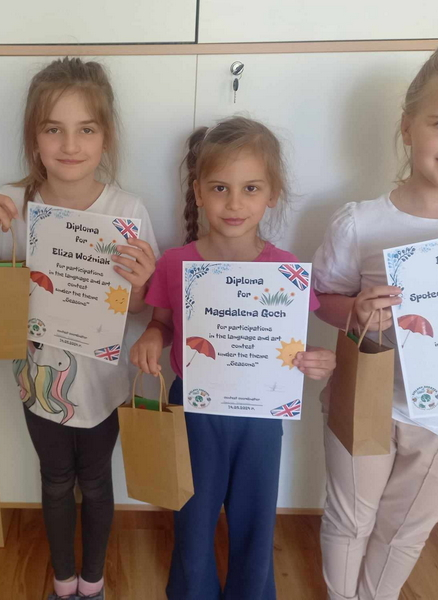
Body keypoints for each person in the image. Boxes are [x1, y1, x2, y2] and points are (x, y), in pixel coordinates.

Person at [0, 57, 159, 600]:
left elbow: (137, 308)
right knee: (56, 479)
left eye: (86, 129)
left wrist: (141, 283)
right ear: (33, 138)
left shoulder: (127, 209)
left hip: (104, 382)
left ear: (105, 138)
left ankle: (94, 581)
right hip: (38, 382)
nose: (70, 144)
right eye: (53, 129)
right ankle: (64, 582)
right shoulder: (9, 205)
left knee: (98, 480)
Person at [312, 42, 438, 600]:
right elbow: (322, 297)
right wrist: (355, 309)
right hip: (366, 398)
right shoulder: (360, 223)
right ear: (407, 126)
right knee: (349, 518)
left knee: (402, 532)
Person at [130, 116, 336, 599]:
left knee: (255, 517)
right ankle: (191, 591)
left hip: (261, 414)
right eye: (220, 188)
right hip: (193, 409)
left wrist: (317, 360)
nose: (235, 203)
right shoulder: (175, 263)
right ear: (199, 193)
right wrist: (152, 338)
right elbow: (162, 323)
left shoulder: (286, 270)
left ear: (272, 195)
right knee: (193, 514)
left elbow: (293, 346)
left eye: (251, 188)